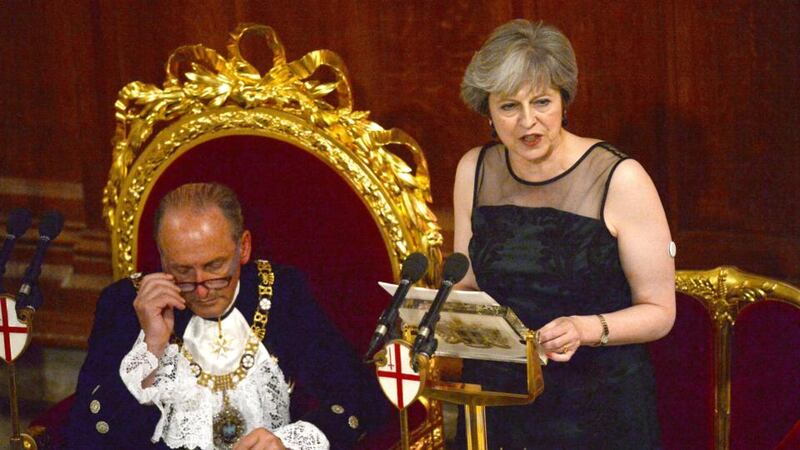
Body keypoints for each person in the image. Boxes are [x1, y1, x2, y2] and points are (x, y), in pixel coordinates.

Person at [452, 20, 676, 448]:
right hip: (501, 398)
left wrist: (584, 328)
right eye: (509, 107)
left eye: (541, 101)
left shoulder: (620, 178)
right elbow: (466, 281)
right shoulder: (473, 170)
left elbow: (660, 311)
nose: (527, 122)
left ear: (563, 101)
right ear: (487, 110)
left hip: (597, 403)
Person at [66, 183, 391, 450]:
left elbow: (359, 396)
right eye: (182, 270)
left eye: (214, 267)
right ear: (162, 258)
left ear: (244, 248)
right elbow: (85, 433)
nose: (202, 289)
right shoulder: (125, 303)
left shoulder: (283, 292)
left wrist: (291, 443)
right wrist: (151, 347)